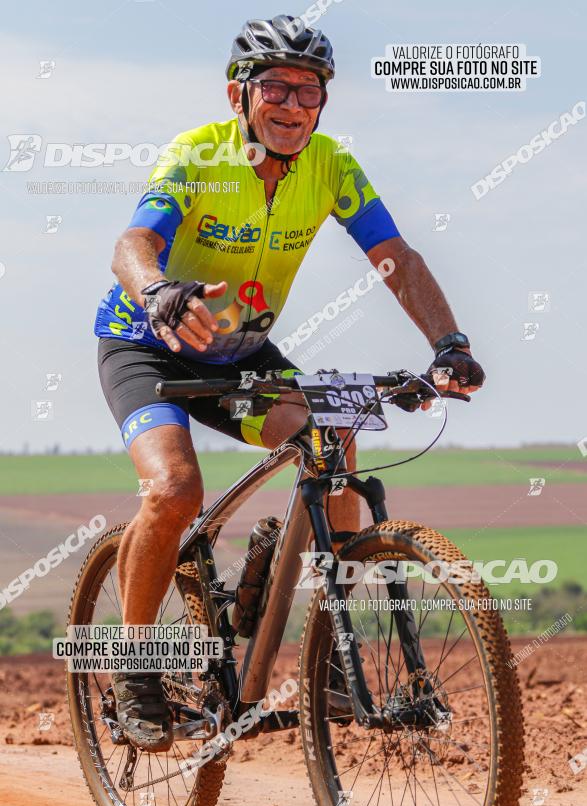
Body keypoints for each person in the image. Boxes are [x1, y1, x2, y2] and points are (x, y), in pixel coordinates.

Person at [94, 14, 485, 751]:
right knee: (175, 491)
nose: (293, 105)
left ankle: (329, 653)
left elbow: (392, 254)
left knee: (333, 439)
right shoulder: (197, 153)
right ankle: (134, 666)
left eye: (310, 91)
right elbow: (132, 242)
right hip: (147, 343)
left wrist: (448, 342)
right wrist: (156, 288)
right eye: (275, 86)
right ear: (239, 94)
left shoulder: (331, 165)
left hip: (239, 349)